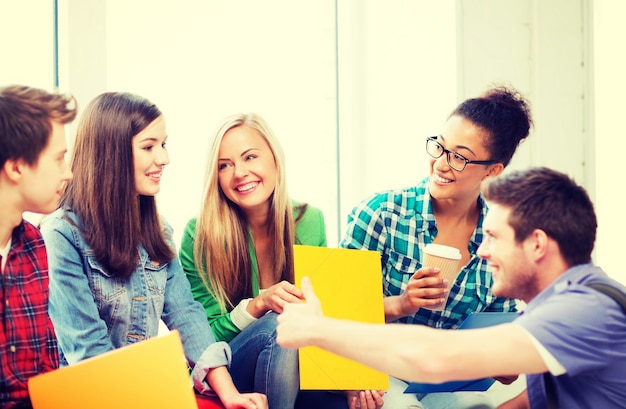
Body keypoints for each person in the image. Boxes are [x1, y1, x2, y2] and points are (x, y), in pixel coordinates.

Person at [277, 166, 626, 409]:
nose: (482, 250)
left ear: (537, 244)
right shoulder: (563, 305)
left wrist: (318, 329)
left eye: (492, 237)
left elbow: (437, 358)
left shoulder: (585, 311)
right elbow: (531, 401)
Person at [39, 93, 267, 409]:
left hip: (139, 392)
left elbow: (186, 315)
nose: (164, 158)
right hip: (93, 397)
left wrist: (230, 395)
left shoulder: (157, 230)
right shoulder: (61, 235)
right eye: (149, 147)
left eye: (163, 144)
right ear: (111, 153)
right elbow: (89, 352)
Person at [339, 84, 533, 409]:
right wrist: (400, 304)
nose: (441, 164)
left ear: (493, 170)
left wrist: (506, 363)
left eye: (459, 157)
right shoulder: (383, 213)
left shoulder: (500, 241)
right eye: (440, 148)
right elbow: (335, 310)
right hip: (382, 371)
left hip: (453, 382)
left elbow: (502, 351)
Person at [179, 112, 327, 409]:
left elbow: (326, 314)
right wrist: (257, 306)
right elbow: (201, 335)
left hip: (296, 365)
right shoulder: (201, 234)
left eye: (250, 157)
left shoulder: (309, 220)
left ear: (274, 158)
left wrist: (349, 380)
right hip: (230, 367)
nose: (239, 173)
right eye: (225, 165)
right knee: (279, 323)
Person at [0, 85, 76, 409]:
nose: (68, 173)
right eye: (59, 159)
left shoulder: (33, 243)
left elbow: (46, 368)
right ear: (16, 167)